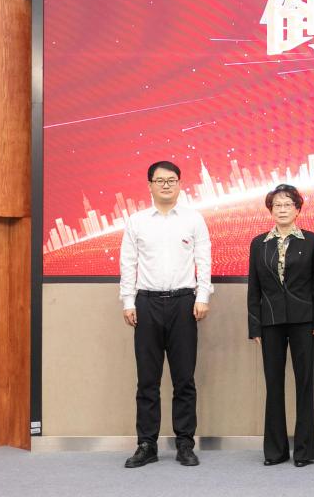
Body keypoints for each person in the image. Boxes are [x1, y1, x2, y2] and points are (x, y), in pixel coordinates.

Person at [119, 160, 212, 468]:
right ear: (150, 185)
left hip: (184, 304)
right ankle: (147, 444)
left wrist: (202, 296)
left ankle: (185, 444)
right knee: (147, 380)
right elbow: (128, 262)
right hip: (146, 303)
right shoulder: (137, 221)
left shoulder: (193, 219)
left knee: (184, 378)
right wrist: (128, 301)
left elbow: (204, 259)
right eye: (160, 180)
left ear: (180, 184)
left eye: (171, 180)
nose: (166, 185)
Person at [247, 184, 314, 467]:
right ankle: (275, 451)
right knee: (273, 385)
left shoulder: (311, 241)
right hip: (270, 322)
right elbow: (254, 289)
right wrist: (255, 326)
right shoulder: (259, 243)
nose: (282, 210)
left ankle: (304, 451)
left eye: (287, 205)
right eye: (277, 205)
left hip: (304, 321)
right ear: (270, 210)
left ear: (297, 209)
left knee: (305, 384)